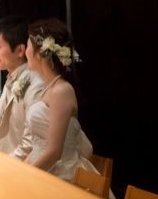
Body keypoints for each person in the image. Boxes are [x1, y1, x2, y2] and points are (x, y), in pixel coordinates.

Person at [15, 18, 101, 186]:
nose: (26, 51)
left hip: (62, 175)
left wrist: (27, 176)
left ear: (41, 53)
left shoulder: (62, 91)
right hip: (42, 169)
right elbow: (38, 146)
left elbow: (54, 152)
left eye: (29, 45)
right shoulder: (48, 88)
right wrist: (20, 170)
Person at [0, 16, 44, 155]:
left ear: (20, 50)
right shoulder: (11, 78)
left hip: (20, 165)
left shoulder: (35, 83)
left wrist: (4, 164)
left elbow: (31, 143)